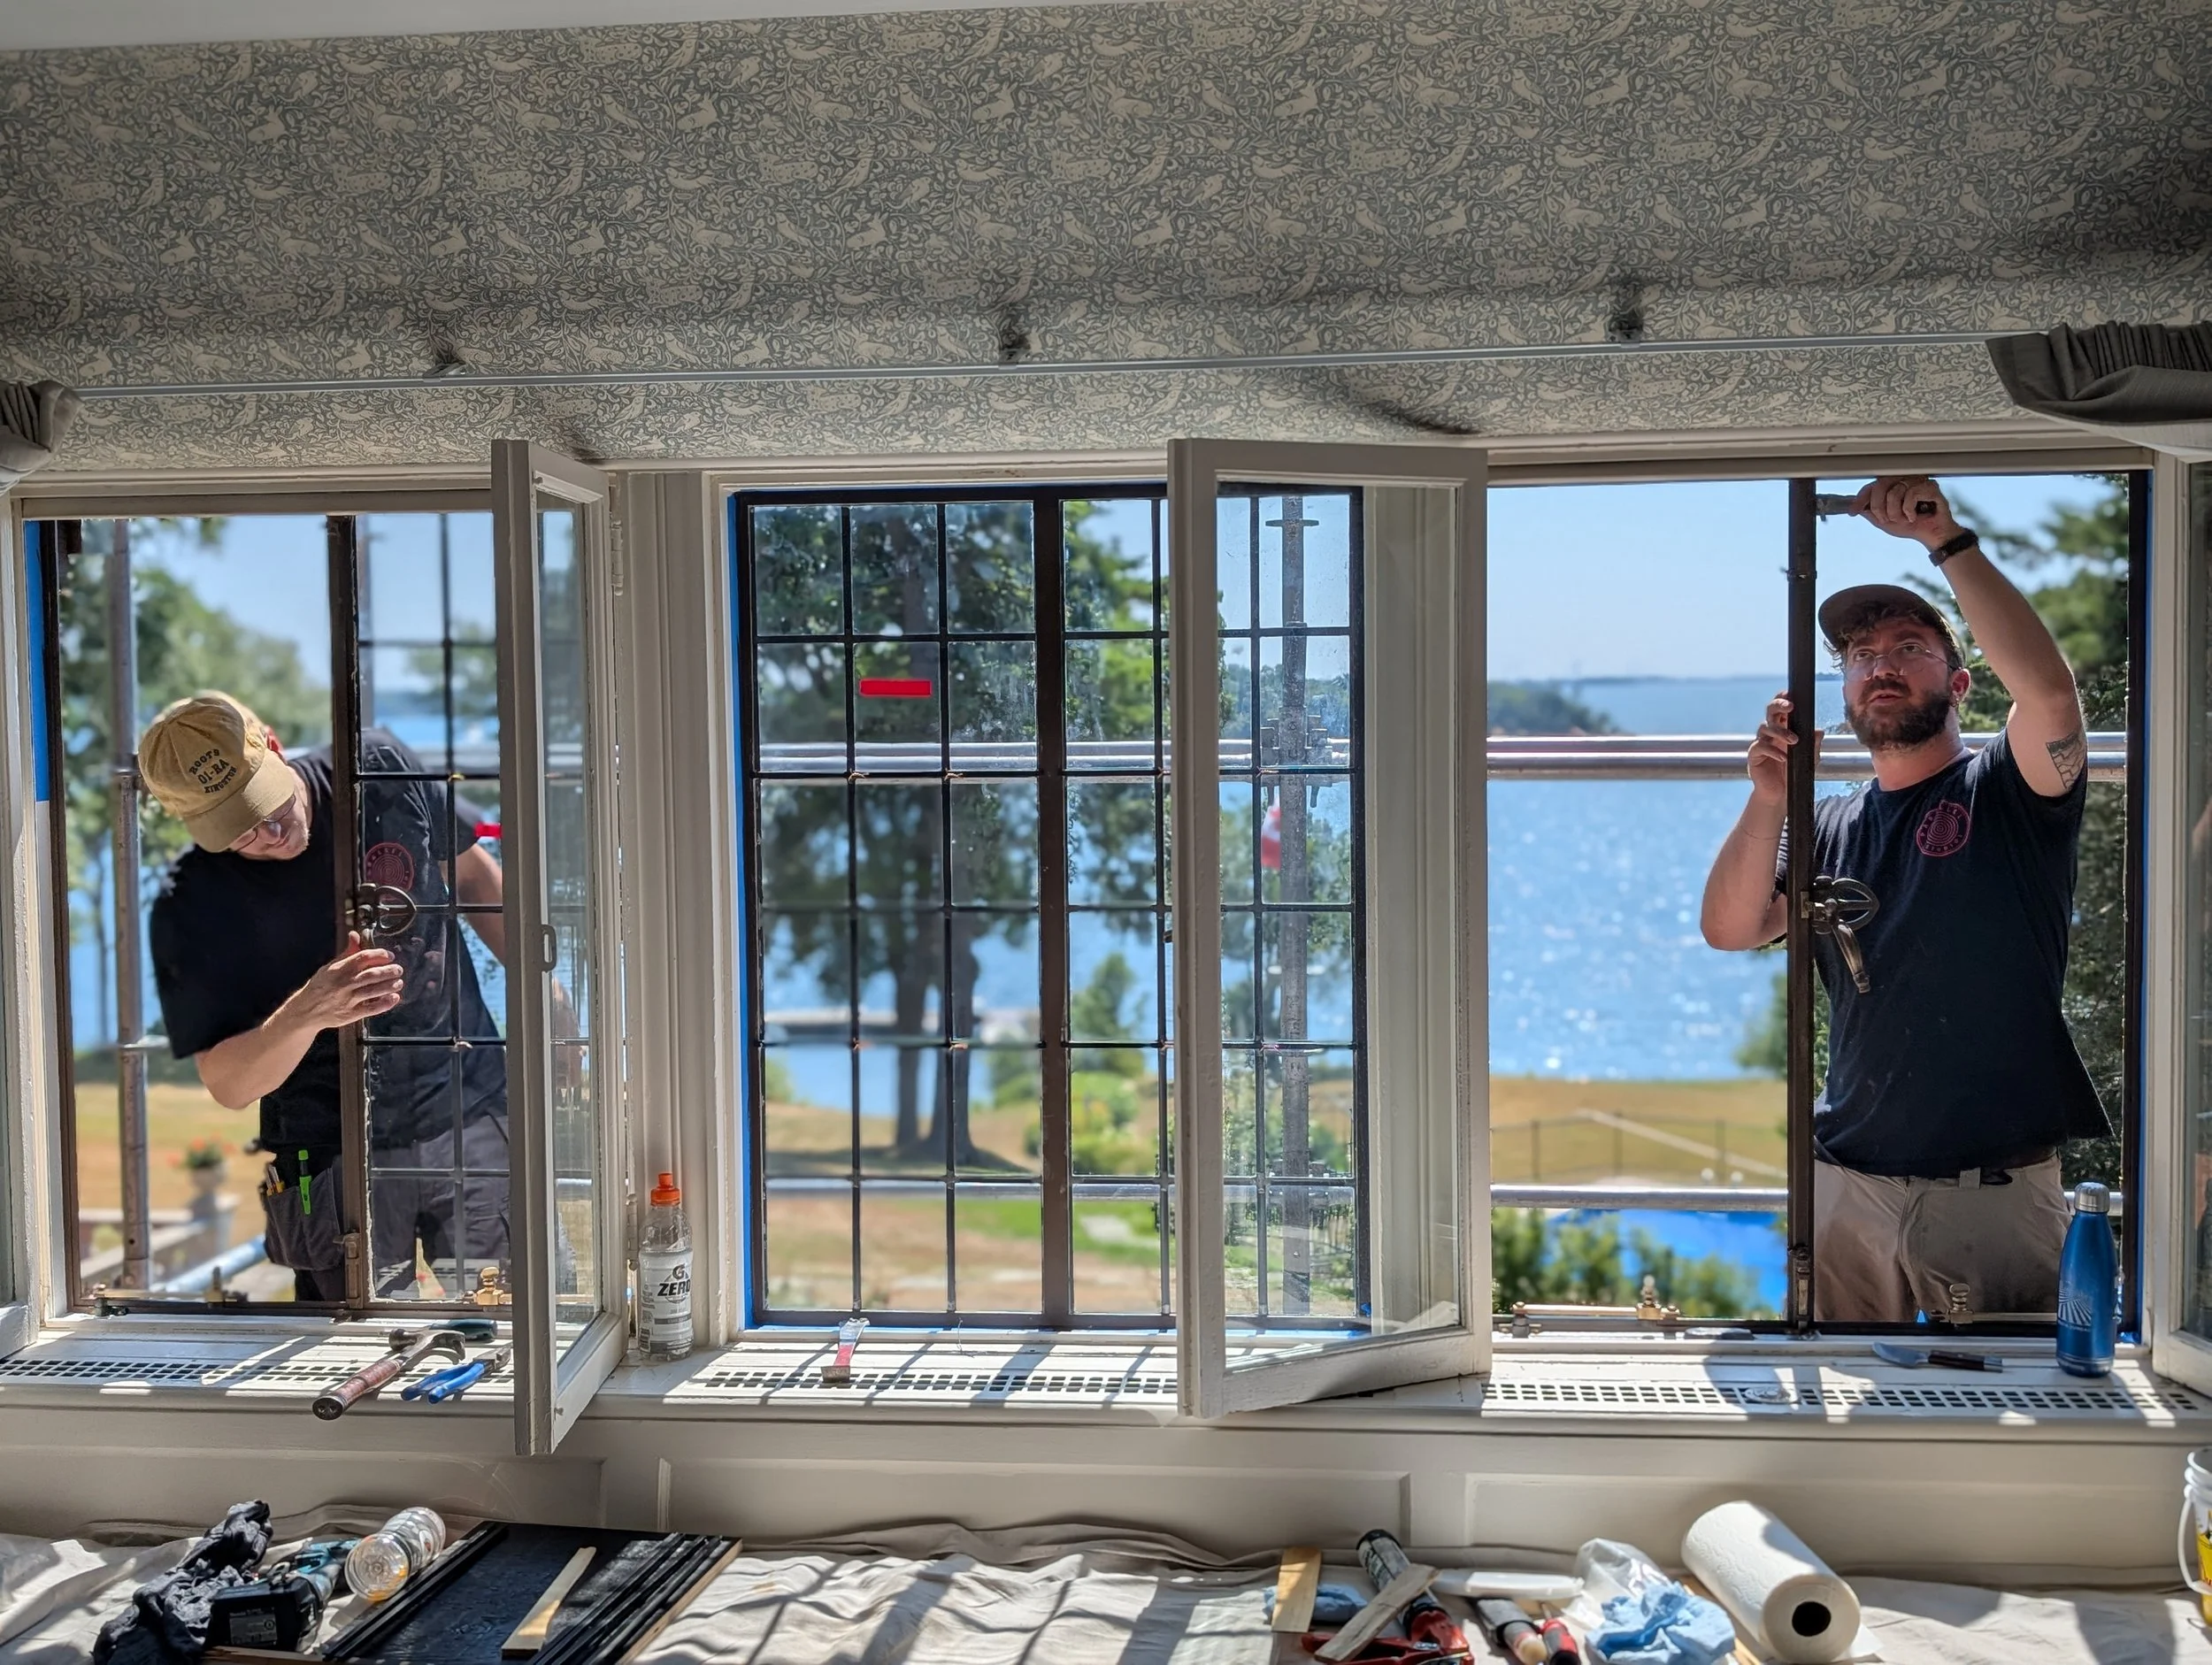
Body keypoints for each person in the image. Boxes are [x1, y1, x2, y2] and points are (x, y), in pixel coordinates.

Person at [1700, 476, 2109, 1323]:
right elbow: (1731, 928)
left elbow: (2053, 700)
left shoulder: (2008, 789)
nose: (1879, 663)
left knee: (2011, 1415)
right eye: (1857, 657)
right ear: (1844, 694)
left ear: (1960, 685)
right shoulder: (1830, 822)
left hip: (1990, 1191)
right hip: (1845, 1186)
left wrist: (1948, 544)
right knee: (1840, 1425)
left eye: (1907, 646)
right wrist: (1769, 794)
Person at [142, 691, 512, 1301]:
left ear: (277, 747)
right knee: (357, 1353)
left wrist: (541, 982)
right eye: (236, 830)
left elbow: (471, 874)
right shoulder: (192, 904)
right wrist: (307, 1014)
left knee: (514, 1321)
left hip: (468, 1106)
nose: (267, 832)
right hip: (331, 1154)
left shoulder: (381, 770)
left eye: (266, 802)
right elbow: (229, 1084)